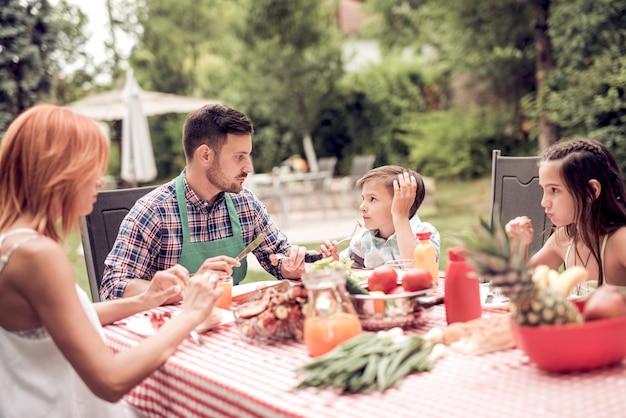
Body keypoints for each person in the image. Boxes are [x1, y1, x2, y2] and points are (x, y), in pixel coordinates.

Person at [0, 105, 223, 417]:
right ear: (58, 171)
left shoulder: (11, 242)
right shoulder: (38, 254)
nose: (100, 181)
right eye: (92, 168)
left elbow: (63, 318)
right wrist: (189, 316)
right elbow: (110, 379)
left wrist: (146, 299)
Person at [100, 103, 306, 302]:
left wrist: (289, 267)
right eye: (239, 157)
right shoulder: (153, 211)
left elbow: (278, 255)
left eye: (248, 156)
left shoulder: (245, 204)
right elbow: (112, 288)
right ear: (205, 155)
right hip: (172, 330)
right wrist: (186, 286)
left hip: (229, 324)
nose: (248, 167)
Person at [505, 138, 626, 291]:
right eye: (544, 190)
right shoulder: (563, 240)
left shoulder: (620, 241)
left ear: (592, 191)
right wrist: (518, 245)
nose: (544, 202)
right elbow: (519, 286)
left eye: (554, 190)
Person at [320, 165, 440, 269]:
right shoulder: (365, 238)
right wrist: (335, 260)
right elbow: (348, 265)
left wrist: (400, 216)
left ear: (403, 202)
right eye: (363, 199)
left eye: (373, 199)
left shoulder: (424, 234)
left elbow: (420, 272)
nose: (362, 207)